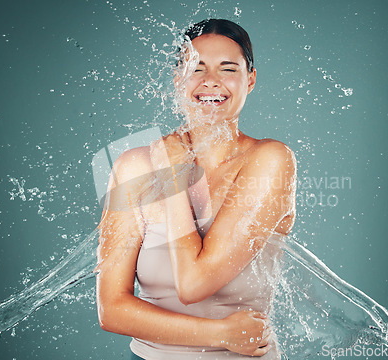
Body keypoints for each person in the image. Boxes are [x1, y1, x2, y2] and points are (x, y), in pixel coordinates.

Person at [95, 19, 296, 359]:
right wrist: (220, 334)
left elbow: (194, 284)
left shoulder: (270, 159)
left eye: (228, 69)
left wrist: (173, 178)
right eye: (196, 68)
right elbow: (111, 309)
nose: (211, 81)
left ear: (251, 79)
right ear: (178, 79)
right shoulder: (134, 165)